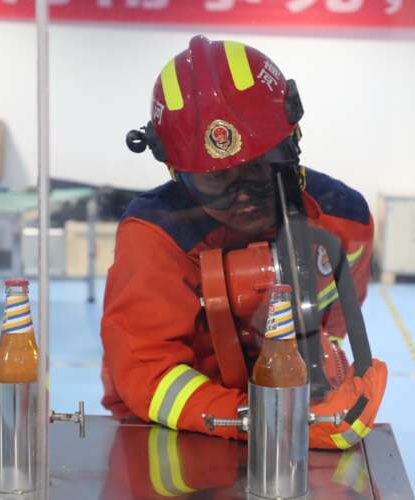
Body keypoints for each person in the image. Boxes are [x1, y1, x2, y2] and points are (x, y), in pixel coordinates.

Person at [101, 35, 387, 449]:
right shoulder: (156, 235)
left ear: (294, 140)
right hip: (172, 432)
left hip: (291, 422)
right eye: (216, 181)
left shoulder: (346, 221)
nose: (245, 197)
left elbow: (335, 326)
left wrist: (327, 392)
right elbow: (146, 372)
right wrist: (267, 421)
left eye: (260, 168)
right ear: (176, 174)